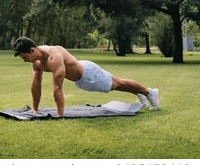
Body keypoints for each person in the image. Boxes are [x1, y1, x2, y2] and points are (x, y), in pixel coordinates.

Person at [13, 37, 159, 117]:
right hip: (81, 78)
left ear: (32, 50)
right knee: (118, 84)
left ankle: (149, 92)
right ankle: (141, 94)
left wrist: (59, 115)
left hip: (89, 75)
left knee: (118, 84)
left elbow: (58, 88)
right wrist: (34, 109)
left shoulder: (54, 56)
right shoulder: (37, 62)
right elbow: (36, 86)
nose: (25, 60)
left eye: (25, 57)